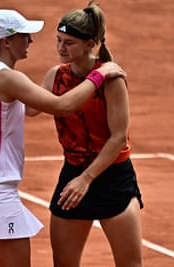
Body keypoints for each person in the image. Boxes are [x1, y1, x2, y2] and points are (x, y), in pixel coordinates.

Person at [0, 9, 126, 267]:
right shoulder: (8, 78)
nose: (30, 41)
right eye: (24, 36)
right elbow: (63, 106)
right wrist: (100, 74)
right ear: (7, 42)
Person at [39, 2, 144, 267]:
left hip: (112, 178)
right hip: (73, 174)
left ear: (90, 44)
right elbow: (28, 108)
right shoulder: (55, 76)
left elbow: (119, 137)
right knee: (64, 262)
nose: (61, 48)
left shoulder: (112, 79)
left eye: (69, 42)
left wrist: (86, 179)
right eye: (58, 40)